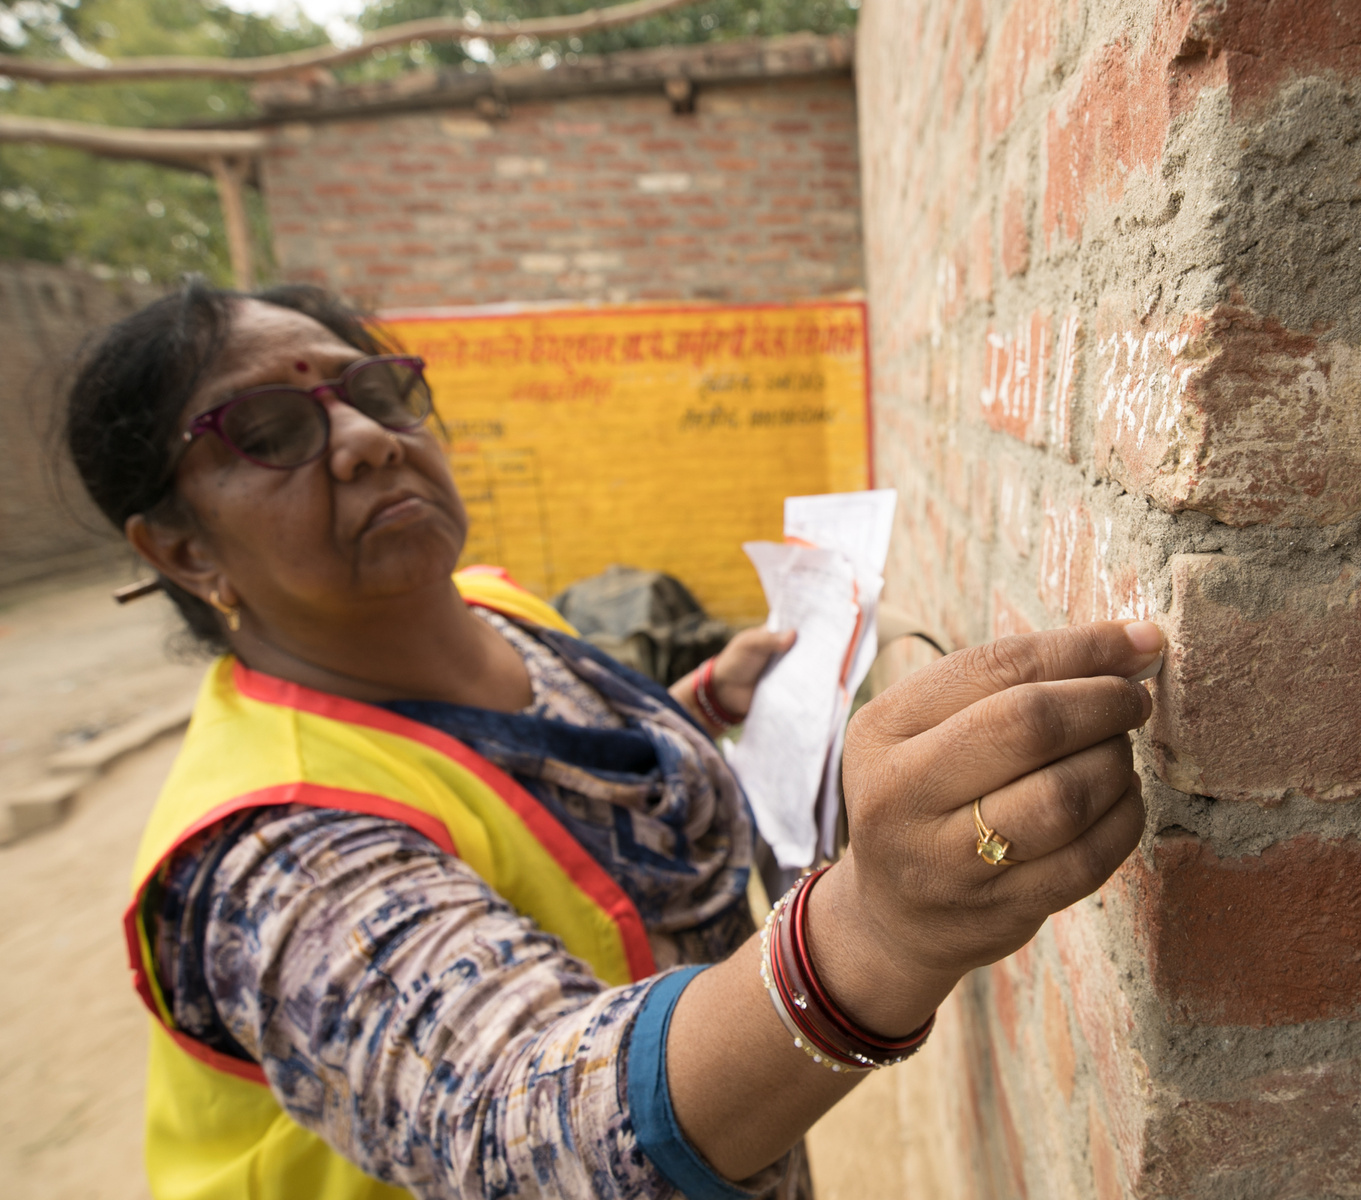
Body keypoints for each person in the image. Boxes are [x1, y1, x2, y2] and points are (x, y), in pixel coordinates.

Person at [64, 281, 1162, 1200]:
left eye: (375, 393)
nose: (359, 441)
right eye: (266, 435)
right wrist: (875, 932)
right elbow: (515, 1127)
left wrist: (707, 706)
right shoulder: (271, 855)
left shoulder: (492, 609)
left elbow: (547, 779)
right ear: (177, 549)